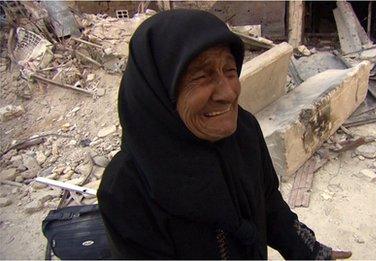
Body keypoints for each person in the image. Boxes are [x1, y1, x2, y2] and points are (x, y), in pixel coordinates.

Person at [97, 9, 352, 260]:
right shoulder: (125, 189)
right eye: (201, 76)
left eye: (230, 71)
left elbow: (268, 204)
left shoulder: (244, 132)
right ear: (160, 92)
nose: (228, 93)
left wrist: (308, 251)